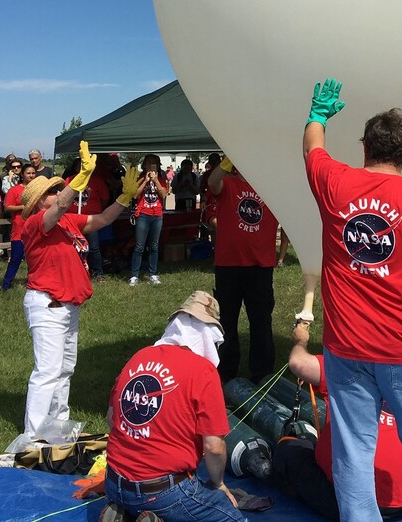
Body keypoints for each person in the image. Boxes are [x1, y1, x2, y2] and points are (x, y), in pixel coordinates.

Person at [303, 78, 402, 521]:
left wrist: (317, 114)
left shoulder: (335, 184)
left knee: (353, 448)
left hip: (346, 347)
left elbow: (312, 150)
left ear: (364, 147)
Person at [19, 141, 138, 440]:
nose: (58, 194)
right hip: (47, 303)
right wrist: (81, 177)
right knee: (47, 371)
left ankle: (58, 424)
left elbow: (104, 219)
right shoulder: (34, 223)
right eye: (51, 191)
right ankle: (33, 435)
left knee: (65, 368)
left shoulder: (69, 221)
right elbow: (58, 207)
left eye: (58, 189)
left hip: (68, 304)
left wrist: (124, 197)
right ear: (37, 202)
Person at [102, 290, 246, 522]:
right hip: (161, 491)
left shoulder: (139, 357)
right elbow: (214, 446)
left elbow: (112, 417)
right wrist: (218, 484)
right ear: (209, 335)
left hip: (113, 481)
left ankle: (128, 511)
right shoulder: (203, 371)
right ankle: (154, 513)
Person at [274, 320, 402, 521]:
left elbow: (298, 363)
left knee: (288, 451)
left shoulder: (343, 366)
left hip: (353, 502)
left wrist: (300, 340)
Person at [207, 156, 280, 383]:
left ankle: (262, 372)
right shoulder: (228, 183)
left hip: (260, 265)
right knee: (227, 321)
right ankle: (227, 371)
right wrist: (226, 162)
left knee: (261, 322)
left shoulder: (270, 189)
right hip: (229, 264)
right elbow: (212, 182)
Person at [129, 153, 167, 286]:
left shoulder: (161, 179)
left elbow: (163, 194)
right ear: (144, 165)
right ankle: (134, 275)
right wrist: (145, 180)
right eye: (149, 163)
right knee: (139, 246)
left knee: (154, 246)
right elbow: (134, 195)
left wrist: (155, 180)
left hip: (157, 214)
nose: (151, 165)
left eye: (154, 163)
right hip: (143, 214)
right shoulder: (140, 178)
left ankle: (153, 274)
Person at [1, 164, 37, 292]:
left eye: (33, 173)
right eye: (28, 173)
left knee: (35, 259)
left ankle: (34, 283)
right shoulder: (15, 190)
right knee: (15, 258)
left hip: (35, 229)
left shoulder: (39, 190)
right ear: (23, 174)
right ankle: (6, 285)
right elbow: (7, 207)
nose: (31, 176)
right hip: (19, 229)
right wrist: (23, 207)